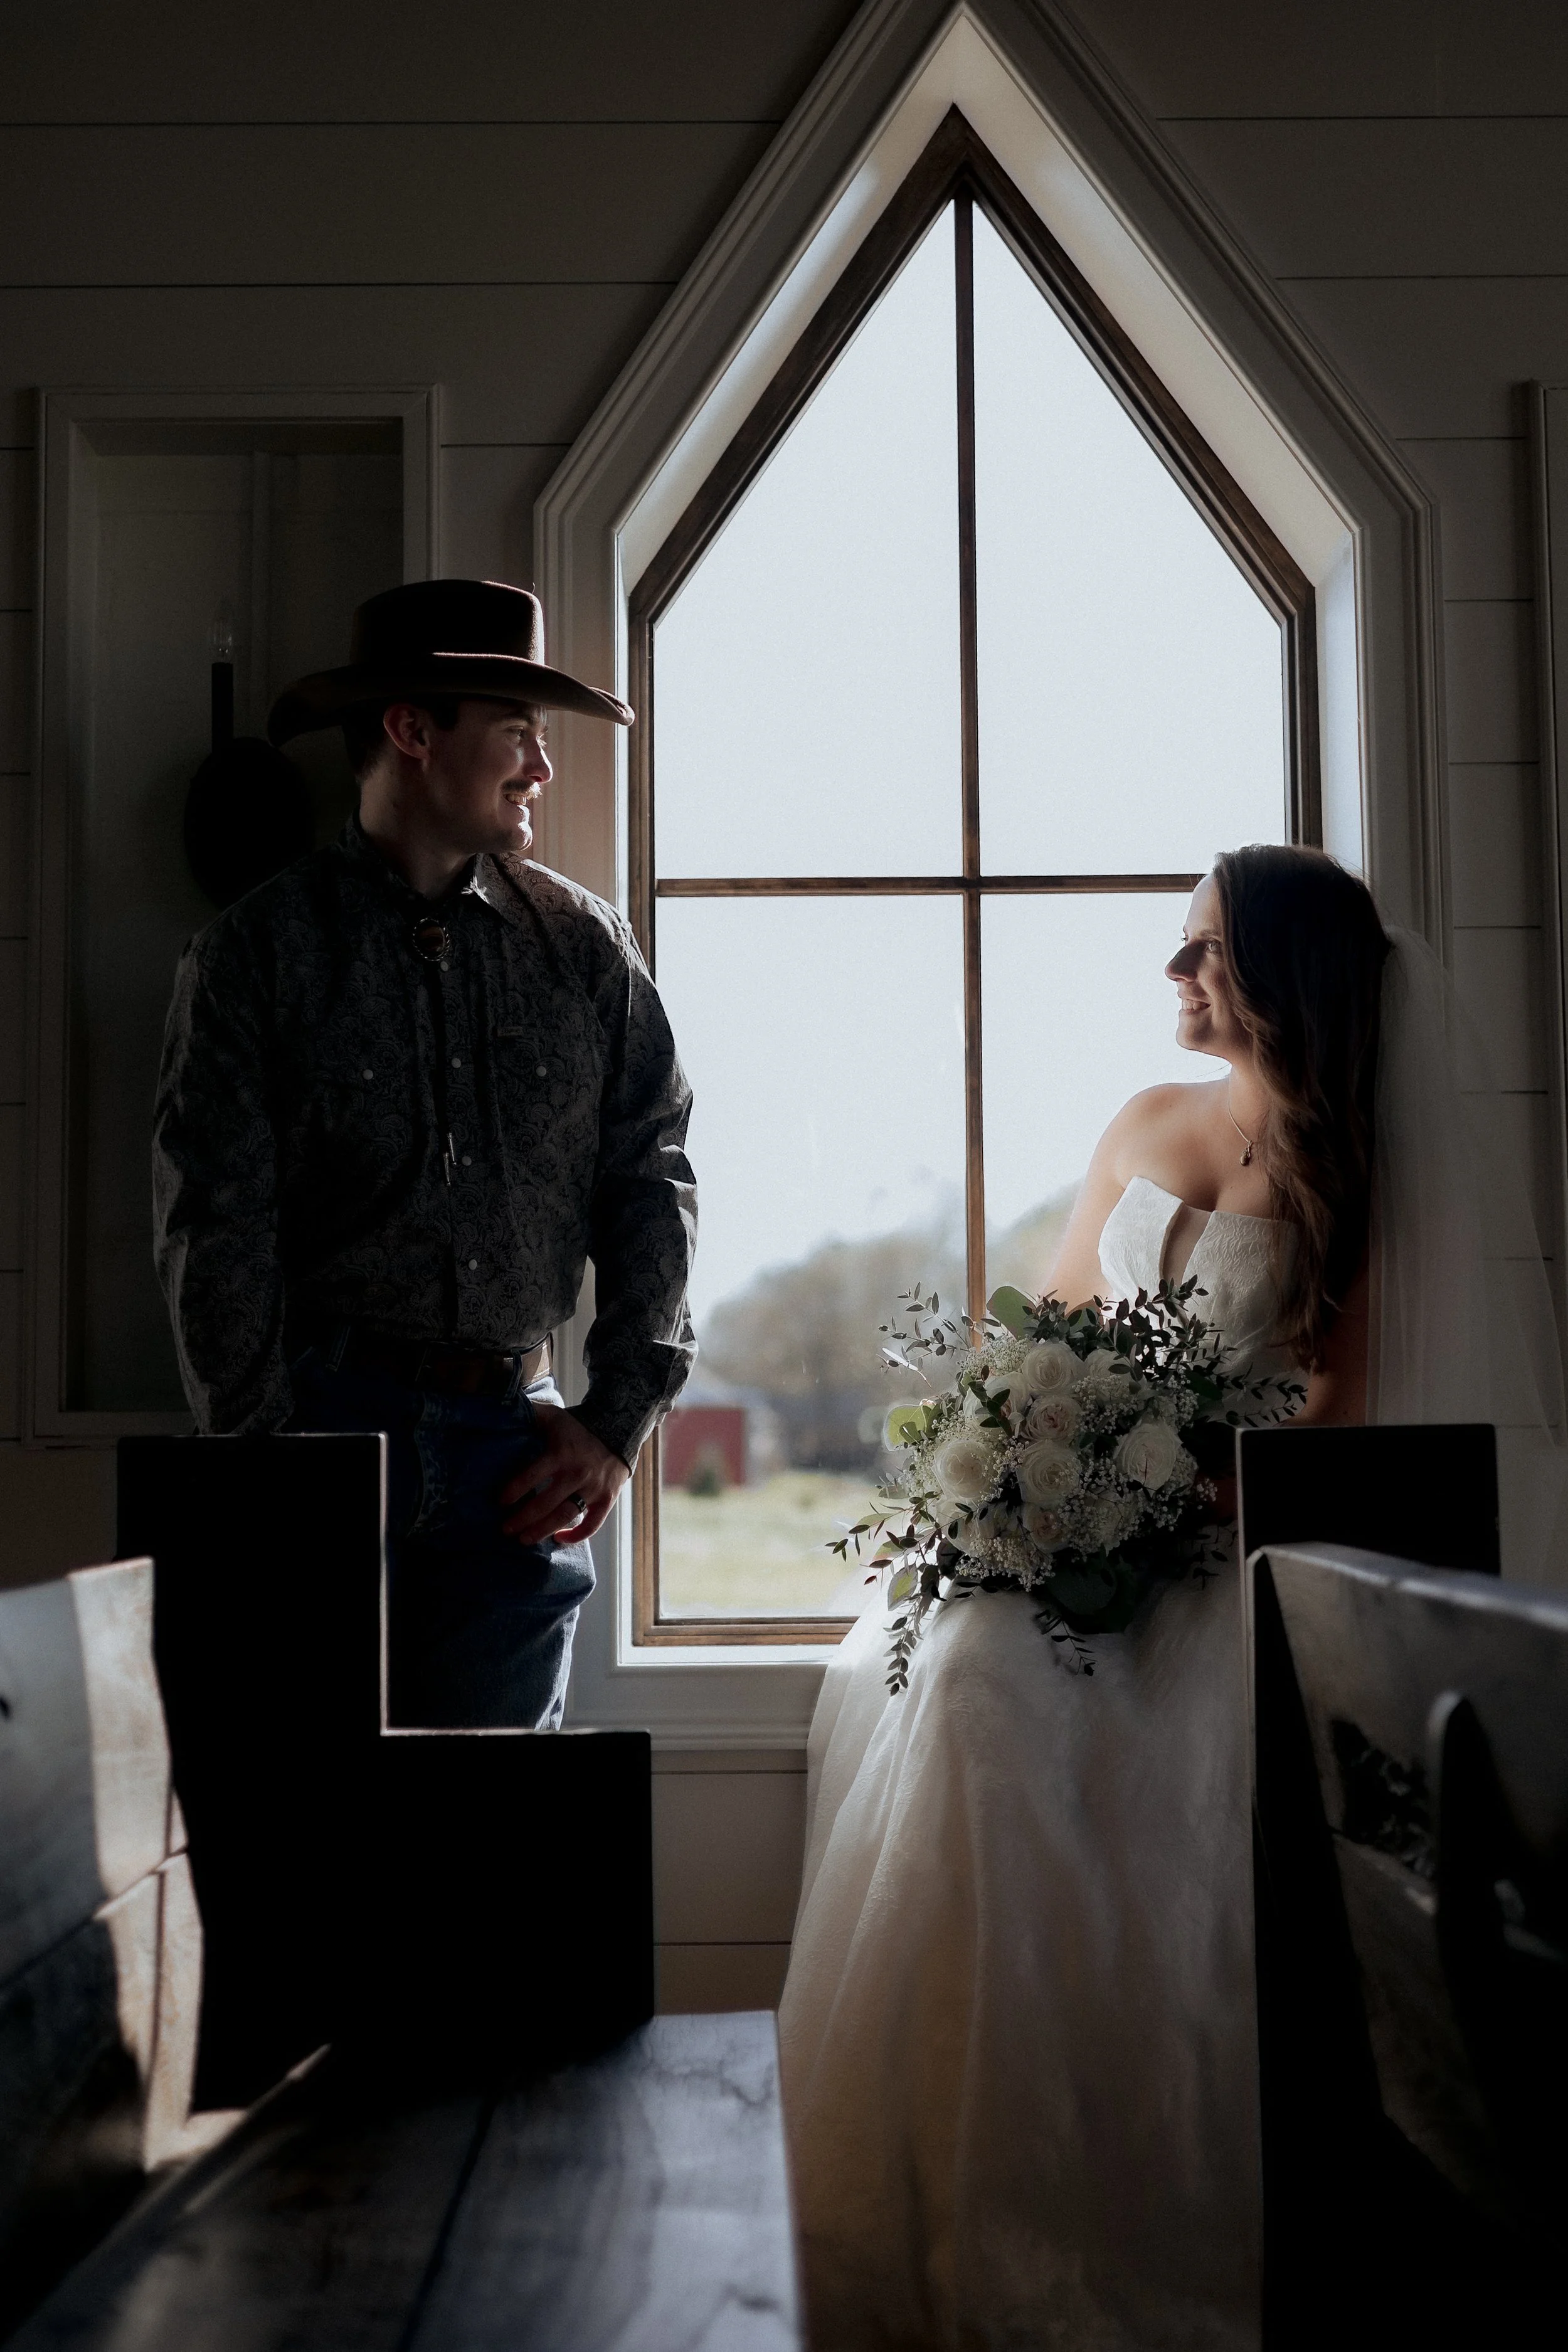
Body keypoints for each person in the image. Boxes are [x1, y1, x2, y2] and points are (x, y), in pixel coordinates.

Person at [778, 843, 1565, 2350]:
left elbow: (1336, 1413)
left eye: (1202, 947)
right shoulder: (1143, 1123)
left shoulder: (1350, 1166)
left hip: (1232, 1550)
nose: (1172, 971)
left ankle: (1128, 2217)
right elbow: (1051, 1334)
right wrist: (1030, 1457)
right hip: (1082, 1528)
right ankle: (946, 2176)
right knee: (963, 1684)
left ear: (1280, 974)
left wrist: (1171, 1490)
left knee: (1173, 1771)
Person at [152, 577, 697, 1730]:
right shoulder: (255, 956)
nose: (543, 769)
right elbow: (216, 1227)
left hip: (522, 1458)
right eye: (518, 735)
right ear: (412, 730)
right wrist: (266, 1473)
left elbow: (652, 1176)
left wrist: (614, 1425)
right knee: (304, 1835)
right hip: (316, 1440)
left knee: (494, 1862)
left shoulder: (586, 950)